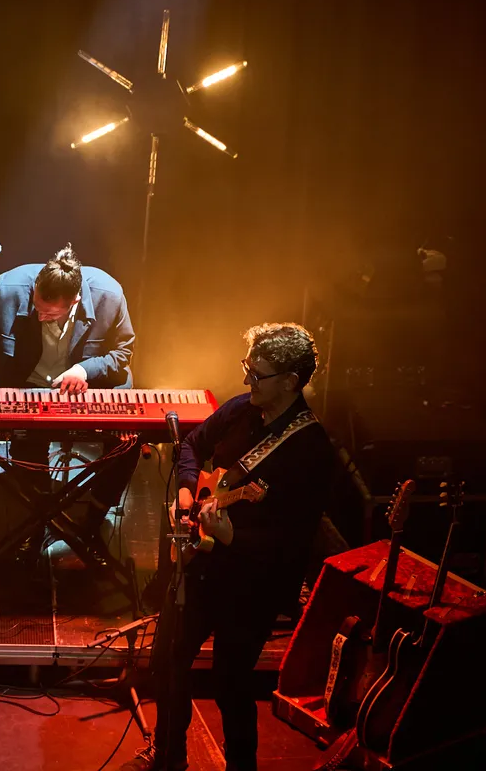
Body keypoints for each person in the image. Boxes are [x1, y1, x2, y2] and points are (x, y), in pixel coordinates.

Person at [122, 323, 337, 771]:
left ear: (290, 381)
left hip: (253, 584)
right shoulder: (242, 408)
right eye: (247, 368)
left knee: (231, 683)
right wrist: (186, 490)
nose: (245, 380)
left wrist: (232, 536)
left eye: (257, 374)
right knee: (168, 662)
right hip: (201, 566)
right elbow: (191, 446)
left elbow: (294, 541)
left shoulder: (311, 450)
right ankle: (168, 758)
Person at [0, 244, 138, 544]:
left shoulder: (109, 294)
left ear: (75, 301)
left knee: (127, 446)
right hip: (29, 386)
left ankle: (93, 519)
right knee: (26, 447)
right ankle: (38, 515)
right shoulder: (8, 287)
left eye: (51, 313)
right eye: (38, 308)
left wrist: (84, 370)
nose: (41, 317)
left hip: (90, 385)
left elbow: (123, 353)